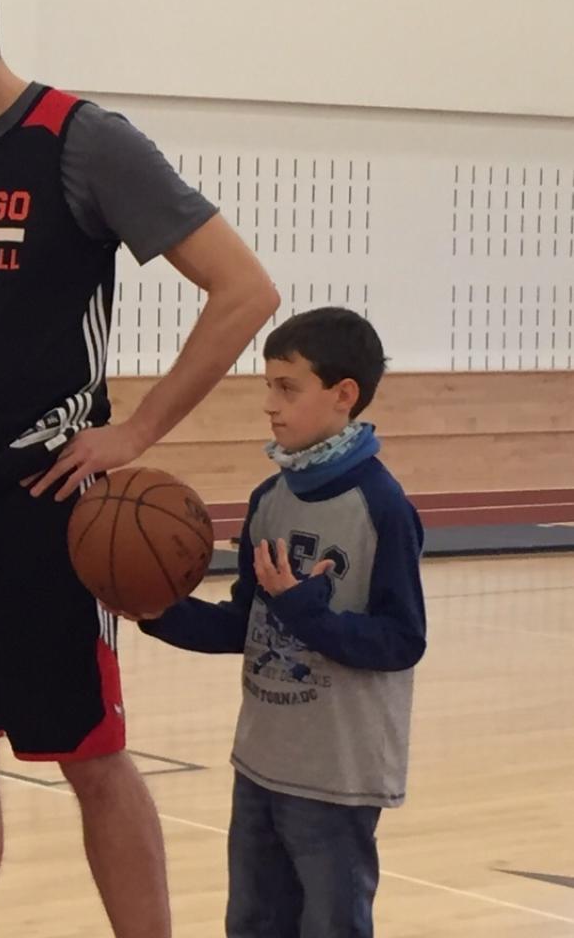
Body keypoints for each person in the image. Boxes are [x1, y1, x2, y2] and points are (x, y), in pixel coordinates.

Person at [0, 0, 281, 936]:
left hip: (53, 511)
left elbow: (244, 289)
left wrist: (138, 431)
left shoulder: (83, 141)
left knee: (91, 756)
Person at [135, 307, 425, 938]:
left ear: (343, 395)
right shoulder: (269, 499)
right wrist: (160, 613)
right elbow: (246, 624)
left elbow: (403, 641)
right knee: (252, 924)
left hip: (337, 776)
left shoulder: (382, 508)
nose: (269, 404)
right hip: (261, 761)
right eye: (267, 385)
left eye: (287, 388)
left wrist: (305, 613)